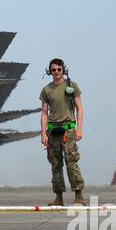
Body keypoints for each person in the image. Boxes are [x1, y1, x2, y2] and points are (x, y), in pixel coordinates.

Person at [40, 58, 84, 206]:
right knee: (55, 164)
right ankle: (58, 198)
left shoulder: (72, 86)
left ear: (63, 69)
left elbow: (80, 108)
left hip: (68, 130)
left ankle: (79, 197)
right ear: (49, 71)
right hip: (52, 131)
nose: (57, 72)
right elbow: (44, 113)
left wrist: (78, 129)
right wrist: (43, 133)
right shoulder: (47, 89)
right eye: (53, 70)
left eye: (59, 69)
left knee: (71, 163)